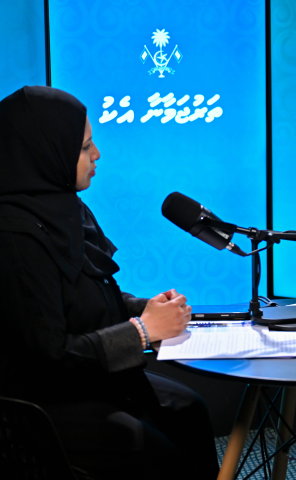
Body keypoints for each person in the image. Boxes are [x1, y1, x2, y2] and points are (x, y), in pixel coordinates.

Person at [0, 86, 218, 480]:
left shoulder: (66, 208)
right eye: (85, 147)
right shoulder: (14, 236)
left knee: (188, 411)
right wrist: (142, 331)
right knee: (158, 456)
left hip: (87, 380)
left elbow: (86, 297)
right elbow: (49, 358)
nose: (97, 154)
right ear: (46, 152)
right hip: (41, 401)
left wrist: (145, 309)